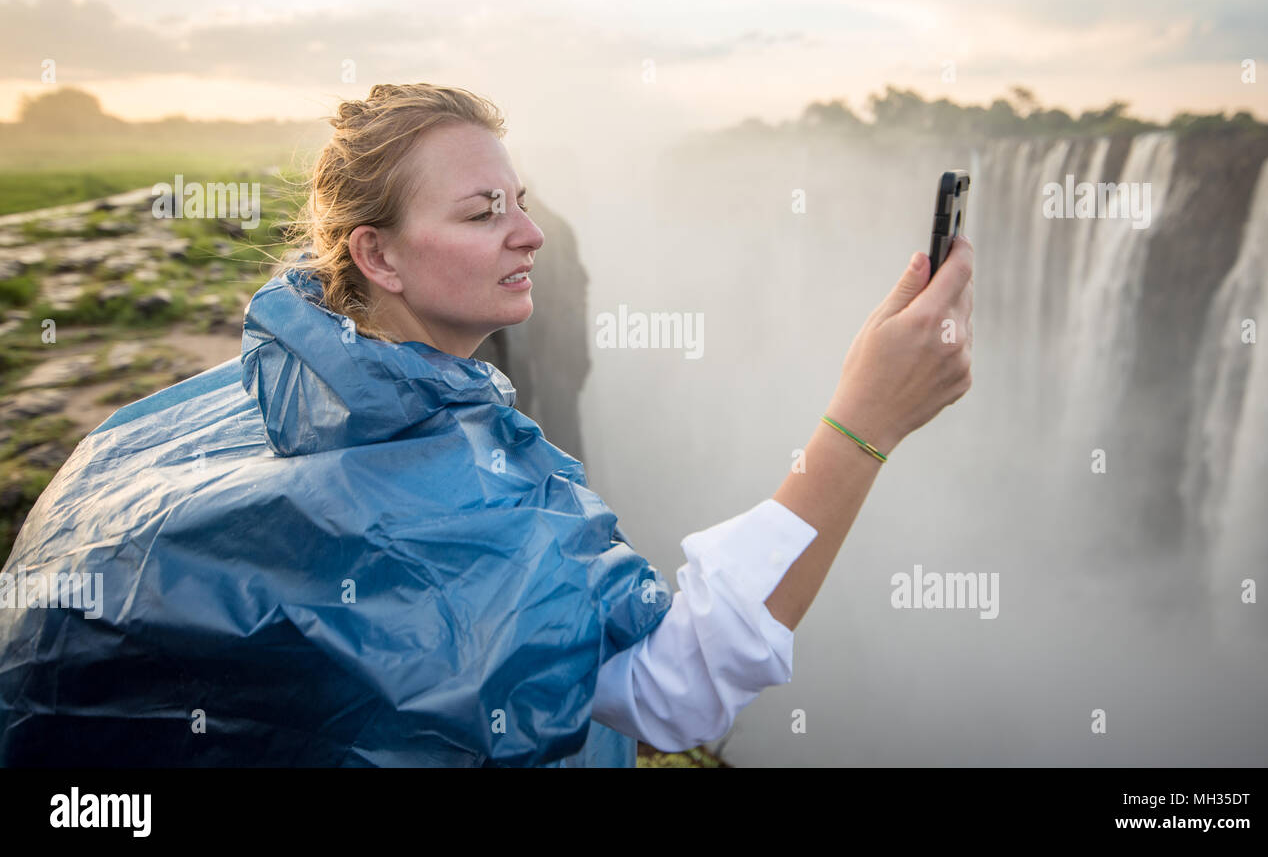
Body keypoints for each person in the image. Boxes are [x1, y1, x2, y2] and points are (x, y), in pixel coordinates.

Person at [0, 83, 973, 767]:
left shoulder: (225, 399)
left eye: (518, 201)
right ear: (375, 255)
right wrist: (862, 420)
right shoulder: (458, 497)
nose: (532, 233)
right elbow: (676, 688)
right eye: (481, 213)